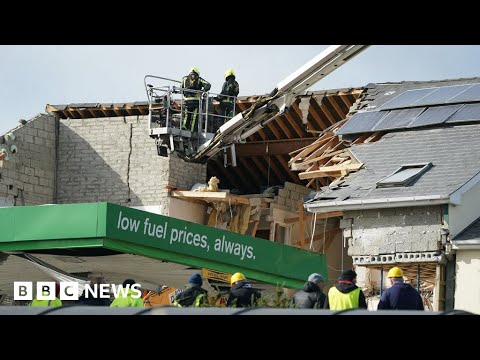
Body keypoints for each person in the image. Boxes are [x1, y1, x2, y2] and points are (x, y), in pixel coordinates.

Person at [181, 67, 211, 132]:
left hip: (187, 101)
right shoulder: (199, 79)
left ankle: (184, 128)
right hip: (195, 101)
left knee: (186, 115)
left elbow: (181, 88)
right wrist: (203, 90)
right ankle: (192, 130)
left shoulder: (184, 78)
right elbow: (208, 85)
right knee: (194, 117)